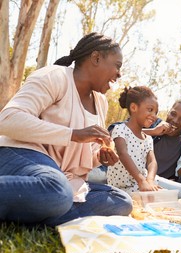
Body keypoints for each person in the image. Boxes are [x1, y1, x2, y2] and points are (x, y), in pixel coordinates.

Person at [0, 32, 132, 227]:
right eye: (117, 65)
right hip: (20, 155)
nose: (119, 74)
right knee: (58, 191)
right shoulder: (55, 76)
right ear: (96, 58)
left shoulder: (101, 102)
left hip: (58, 176)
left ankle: (37, 210)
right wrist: (74, 134)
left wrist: (99, 156)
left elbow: (81, 151)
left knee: (121, 202)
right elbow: (8, 119)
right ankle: (48, 206)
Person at [106, 86, 181, 199]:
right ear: (133, 107)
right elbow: (123, 154)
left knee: (166, 196)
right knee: (151, 199)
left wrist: (150, 181)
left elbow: (152, 161)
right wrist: (142, 181)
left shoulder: (147, 138)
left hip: (141, 183)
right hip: (122, 186)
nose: (154, 116)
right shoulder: (121, 130)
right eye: (150, 110)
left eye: (156, 112)